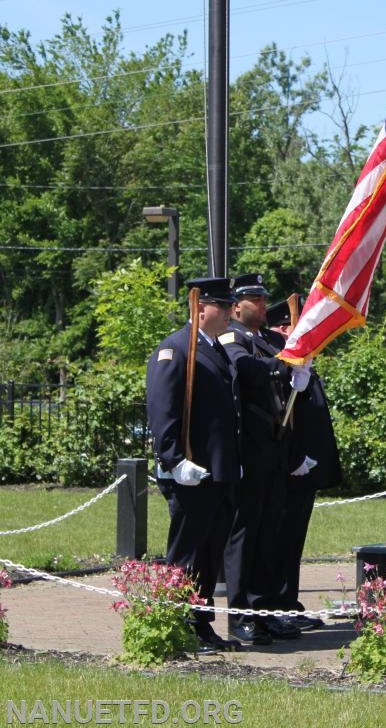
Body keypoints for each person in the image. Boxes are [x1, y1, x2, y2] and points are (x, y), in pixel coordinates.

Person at [145, 277, 242, 653]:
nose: (232, 312)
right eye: (223, 304)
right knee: (187, 555)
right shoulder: (175, 350)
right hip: (189, 473)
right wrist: (173, 460)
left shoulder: (214, 349)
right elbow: (162, 412)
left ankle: (200, 626)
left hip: (215, 473)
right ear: (200, 308)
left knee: (208, 554)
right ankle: (176, 625)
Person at [218, 274, 310, 644]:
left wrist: (296, 370)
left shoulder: (269, 340)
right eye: (253, 299)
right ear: (236, 305)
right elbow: (243, 368)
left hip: (274, 448)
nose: (260, 304)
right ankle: (241, 613)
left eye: (262, 298)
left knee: (271, 533)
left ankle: (267, 608)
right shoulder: (232, 337)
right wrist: (282, 367)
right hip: (251, 451)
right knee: (245, 534)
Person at [266, 298, 343, 631]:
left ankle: (289, 602)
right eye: (287, 327)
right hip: (285, 469)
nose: (292, 332)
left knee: (293, 540)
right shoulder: (275, 360)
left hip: (304, 470)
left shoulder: (300, 362)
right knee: (278, 539)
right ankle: (276, 603)